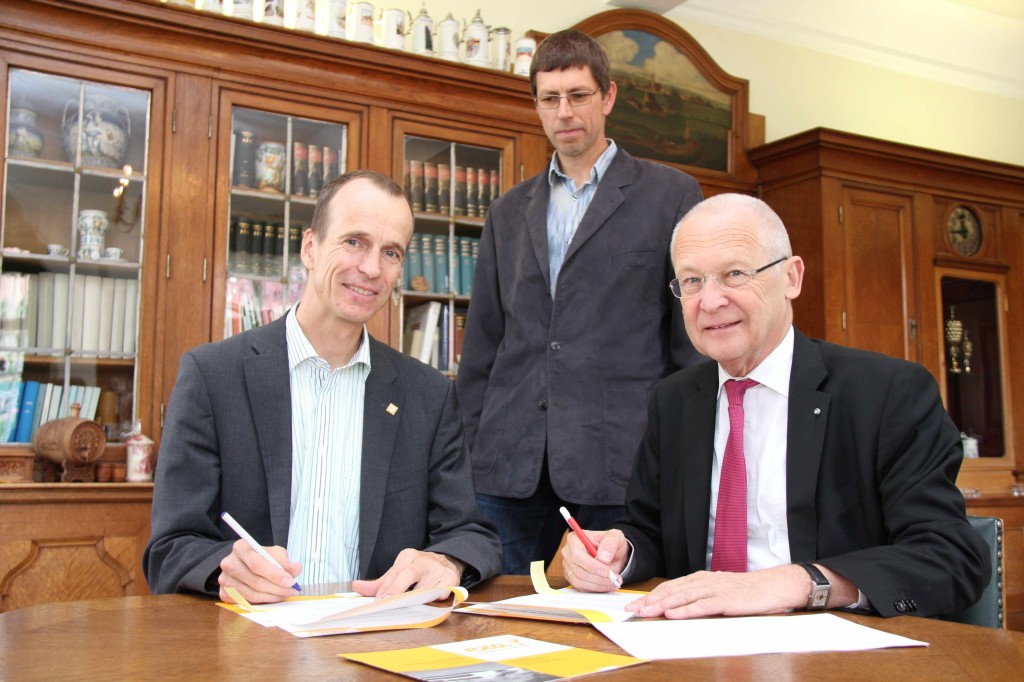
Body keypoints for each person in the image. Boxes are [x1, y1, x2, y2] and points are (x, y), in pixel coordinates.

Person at [561, 193, 990, 619]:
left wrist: (803, 582)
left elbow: (950, 557)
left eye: (733, 274)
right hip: (690, 644)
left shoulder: (887, 393)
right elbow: (651, 530)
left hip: (833, 650)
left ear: (791, 278)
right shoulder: (673, 400)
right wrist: (620, 550)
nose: (709, 302)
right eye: (691, 281)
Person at [144, 170, 501, 604]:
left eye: (390, 253)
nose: (371, 268)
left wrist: (447, 562)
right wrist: (223, 569)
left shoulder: (428, 394)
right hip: (248, 653)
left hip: (376, 648)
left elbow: (469, 532)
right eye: (354, 242)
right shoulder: (212, 375)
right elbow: (169, 549)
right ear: (310, 247)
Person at [456, 29, 704, 575]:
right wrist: (474, 452)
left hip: (617, 464)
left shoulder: (671, 196)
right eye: (550, 98)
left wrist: (679, 458)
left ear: (608, 97)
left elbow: (690, 346)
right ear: (537, 105)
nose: (564, 112)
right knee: (499, 620)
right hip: (508, 470)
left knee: (608, 628)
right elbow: (483, 350)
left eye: (578, 95)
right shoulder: (506, 212)